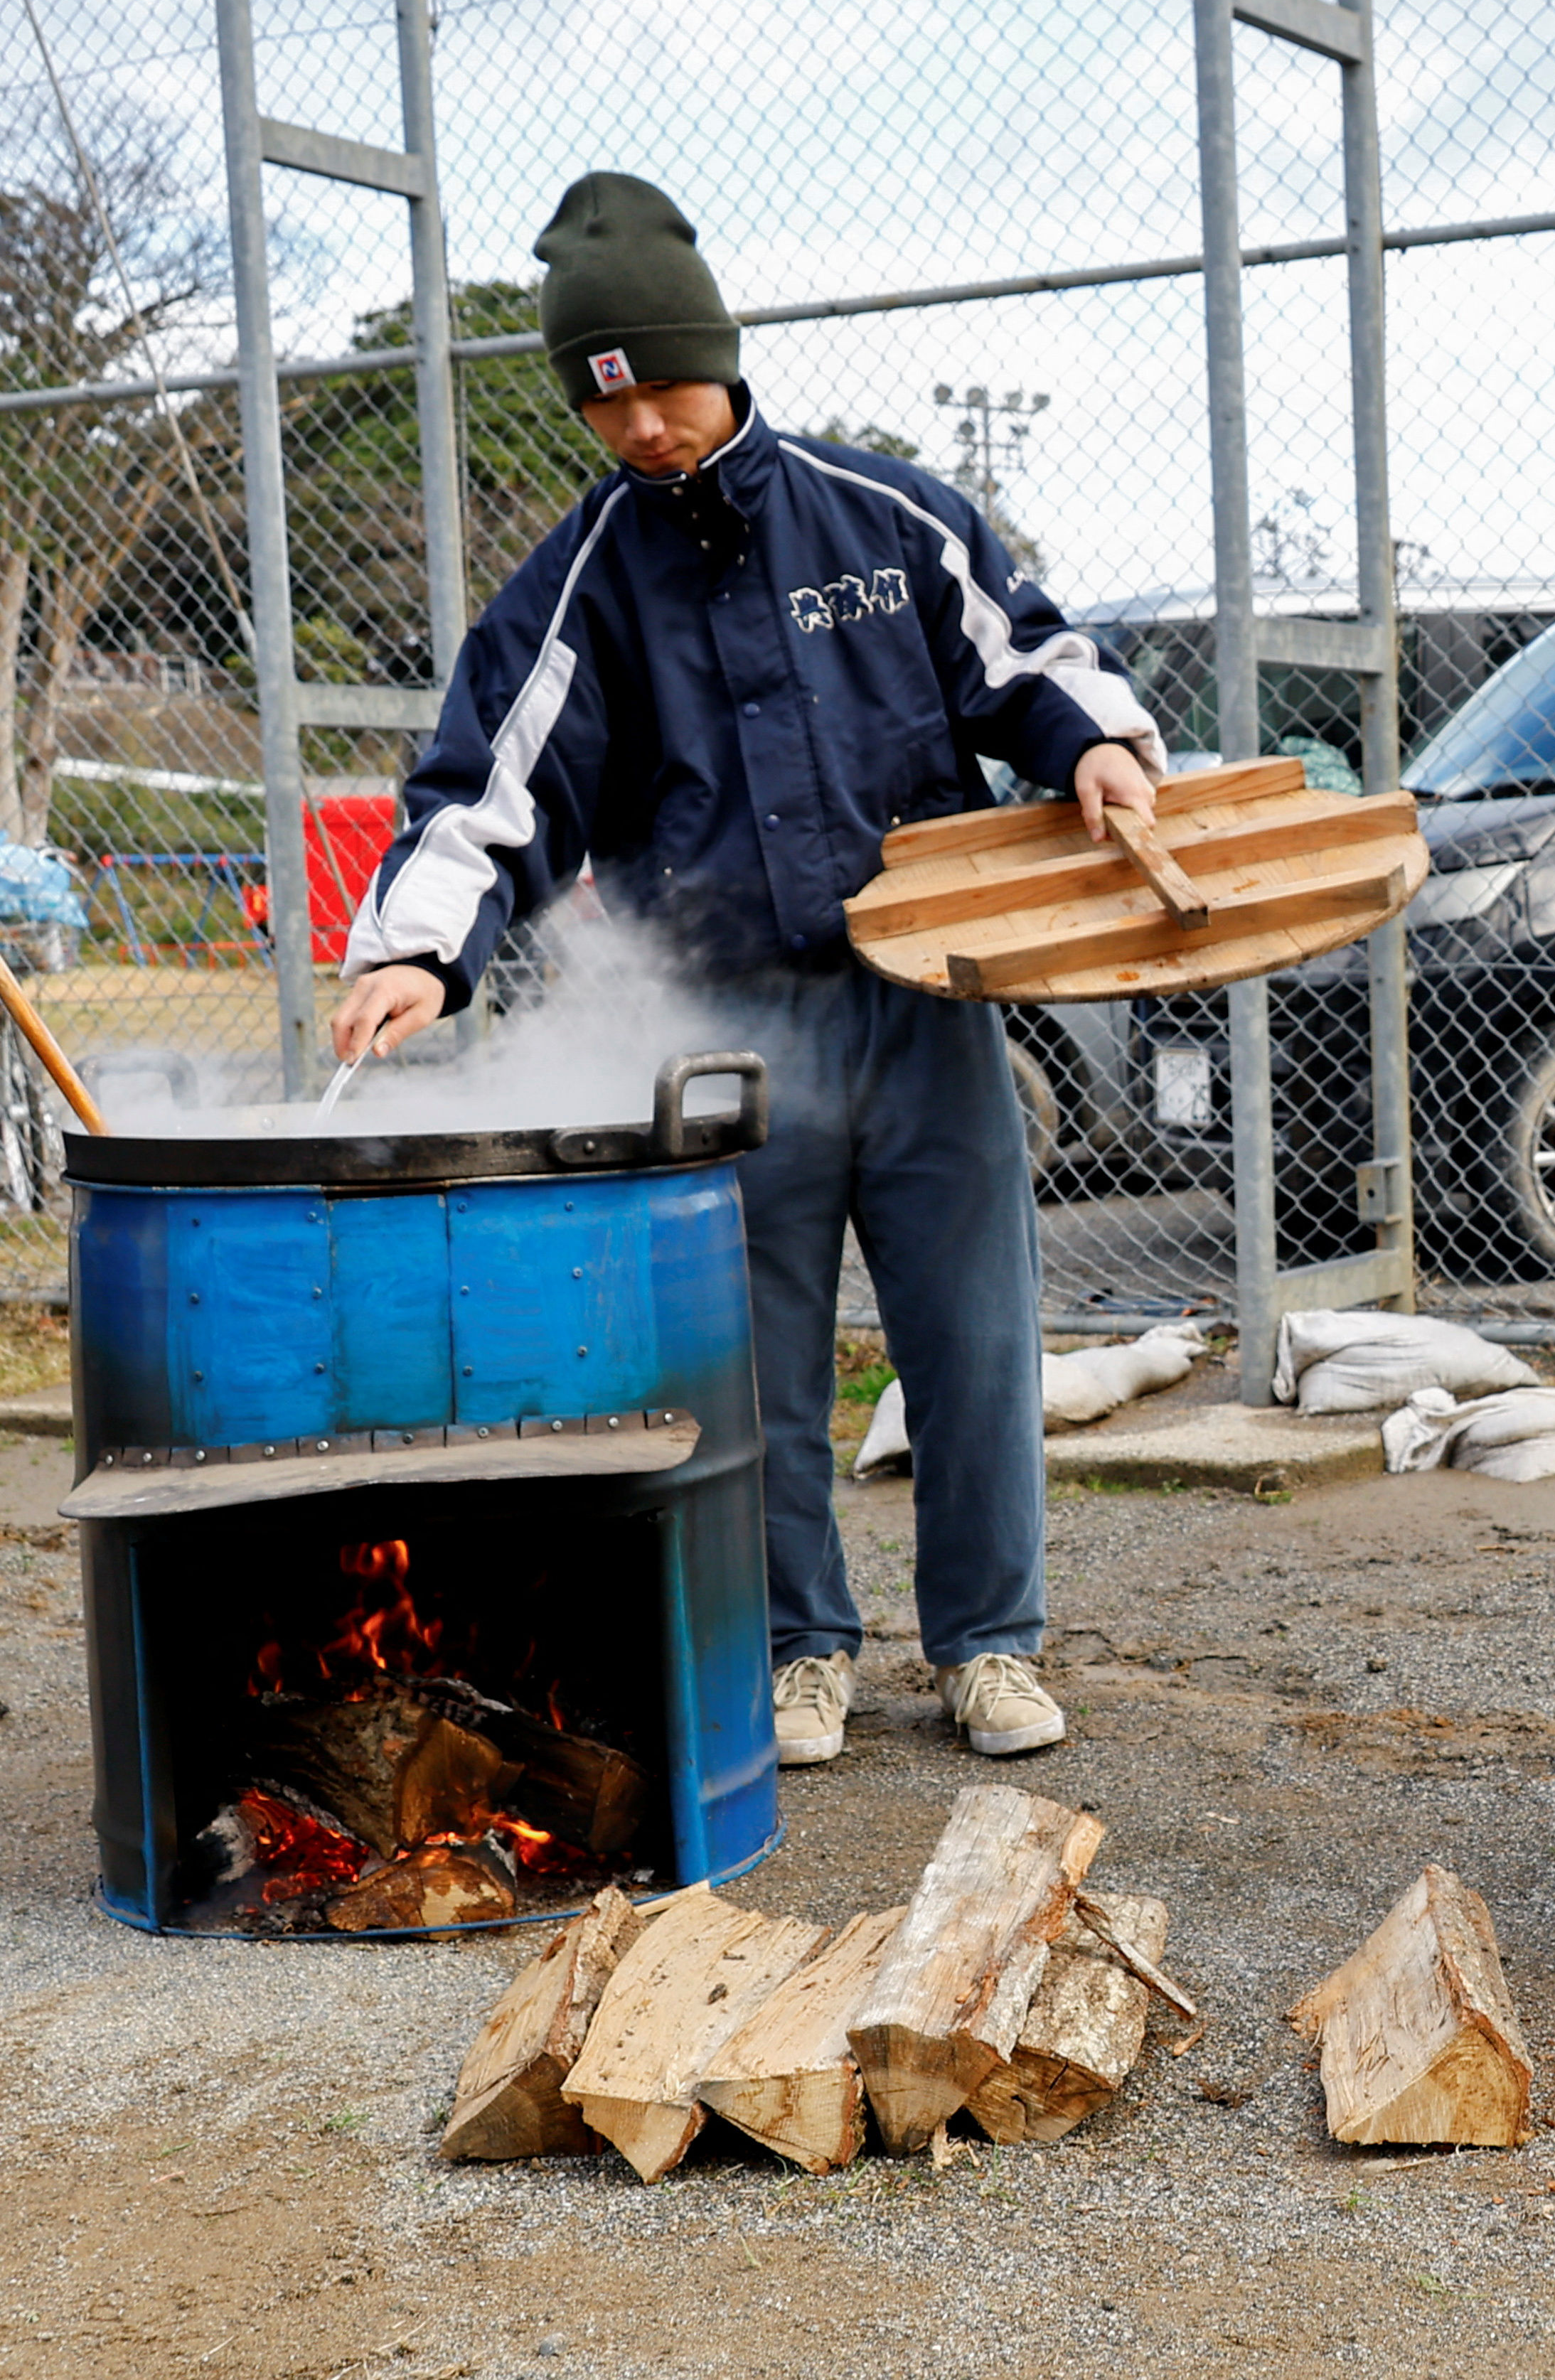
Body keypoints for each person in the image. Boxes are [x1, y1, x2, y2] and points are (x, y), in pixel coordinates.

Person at [328, 172, 1165, 1771]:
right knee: (758, 1354)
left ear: (716, 351)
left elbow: (1030, 657)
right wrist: (420, 951)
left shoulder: (884, 515)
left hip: (927, 999)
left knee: (972, 1333)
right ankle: (799, 1647)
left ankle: (990, 1644)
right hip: (726, 1033)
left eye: (660, 382)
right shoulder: (583, 586)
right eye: (606, 402)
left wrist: (1097, 748)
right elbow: (486, 789)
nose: (641, 427)